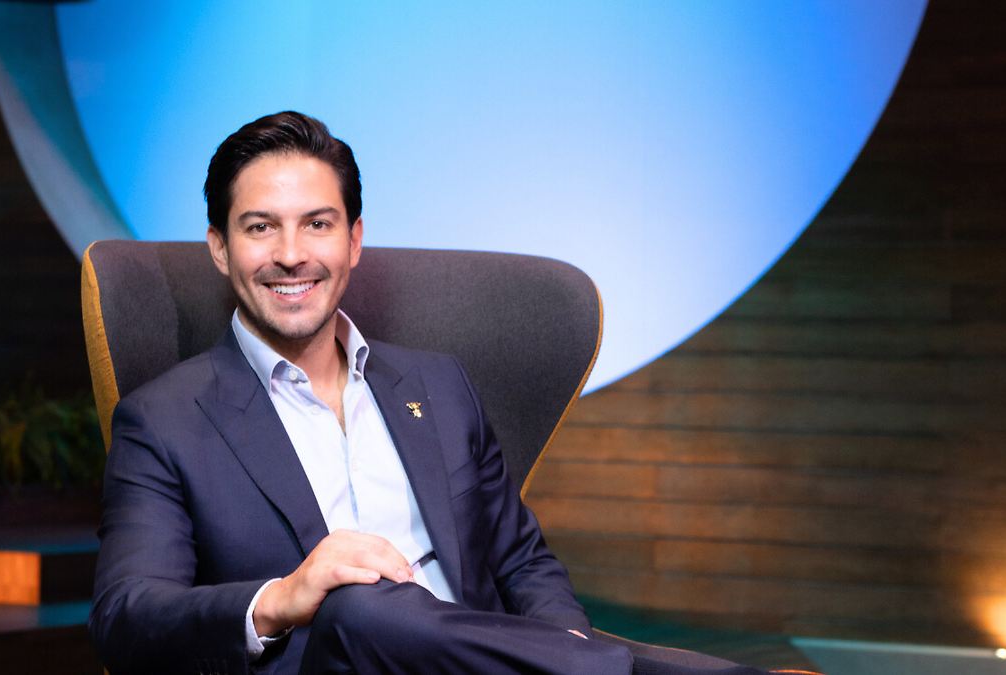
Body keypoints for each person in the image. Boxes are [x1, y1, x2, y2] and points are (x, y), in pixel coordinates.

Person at [88, 111, 776, 675]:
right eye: (261, 226)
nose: (292, 253)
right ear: (219, 247)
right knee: (358, 604)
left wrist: (562, 647)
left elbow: (521, 560)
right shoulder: (164, 419)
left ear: (354, 241)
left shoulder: (438, 384)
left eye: (318, 223)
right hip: (328, 658)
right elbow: (126, 616)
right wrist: (284, 596)